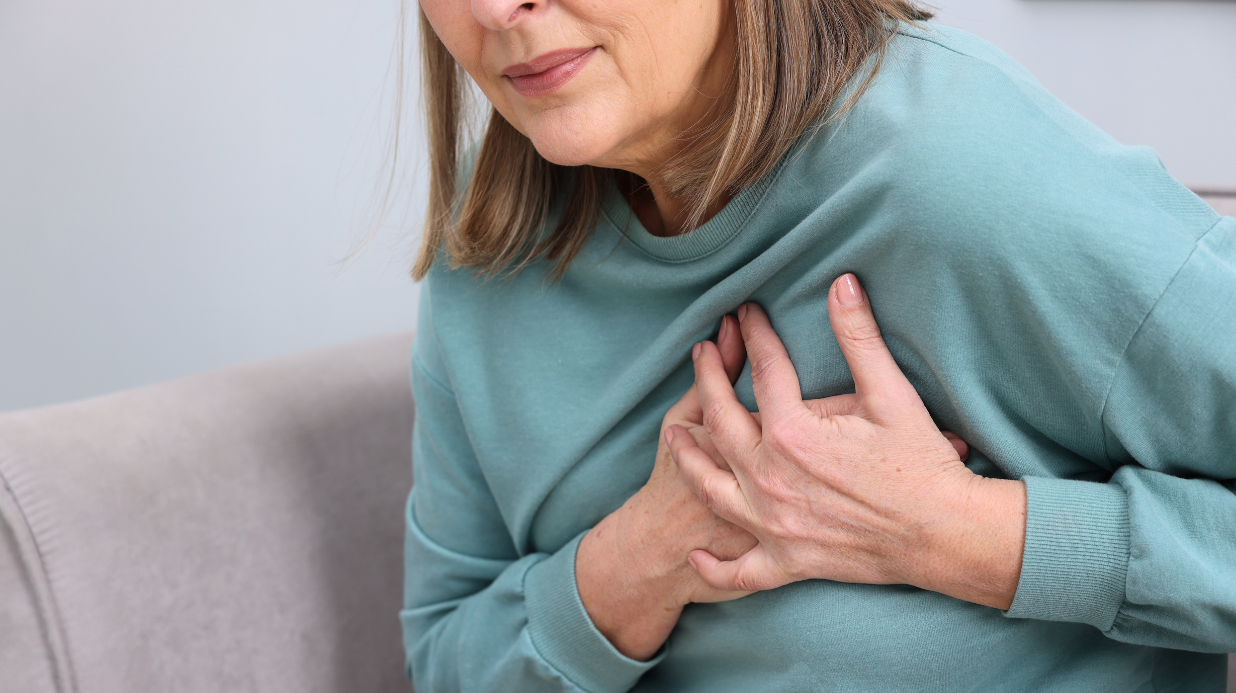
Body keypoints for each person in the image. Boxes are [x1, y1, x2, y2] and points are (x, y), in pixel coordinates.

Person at [400, 0, 1236, 690]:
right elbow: (444, 655)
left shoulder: (968, 176)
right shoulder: (482, 247)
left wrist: (960, 535)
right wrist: (644, 555)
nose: (494, 9)